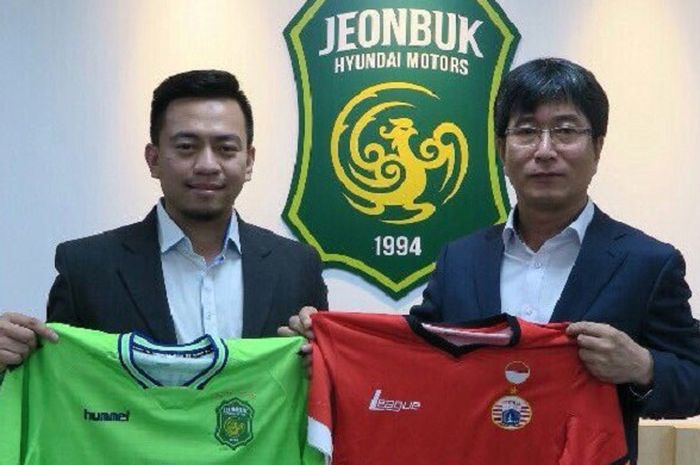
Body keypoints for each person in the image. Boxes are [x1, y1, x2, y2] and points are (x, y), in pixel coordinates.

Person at [286, 58, 700, 462]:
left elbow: (694, 376)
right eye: (526, 131)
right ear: (502, 149)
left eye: (565, 131)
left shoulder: (648, 263)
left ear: (598, 147)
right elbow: (418, 360)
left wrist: (643, 366)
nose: (544, 150)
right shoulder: (461, 259)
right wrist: (326, 354)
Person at [0, 69, 327, 374]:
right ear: (153, 159)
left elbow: (329, 398)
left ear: (249, 161)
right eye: (186, 147)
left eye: (226, 148)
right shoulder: (86, 267)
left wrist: (326, 362)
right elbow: (57, 385)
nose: (207, 165)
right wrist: (7, 361)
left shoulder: (298, 267)